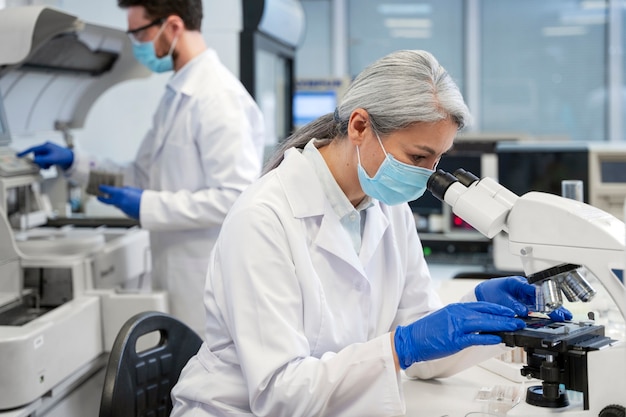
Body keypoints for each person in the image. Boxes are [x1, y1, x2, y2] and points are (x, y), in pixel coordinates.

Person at [169, 50, 571, 417]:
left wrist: (481, 312)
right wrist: (398, 347)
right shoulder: (264, 217)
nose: (429, 174)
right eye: (417, 157)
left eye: (437, 158)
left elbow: (422, 343)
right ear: (360, 126)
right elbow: (281, 393)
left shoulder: (386, 207)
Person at [17, 0, 265, 336]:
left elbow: (234, 199)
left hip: (207, 284)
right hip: (177, 280)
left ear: (173, 27)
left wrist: (146, 205)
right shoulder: (176, 96)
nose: (135, 44)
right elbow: (141, 177)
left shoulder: (218, 98)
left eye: (139, 32)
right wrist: (76, 164)